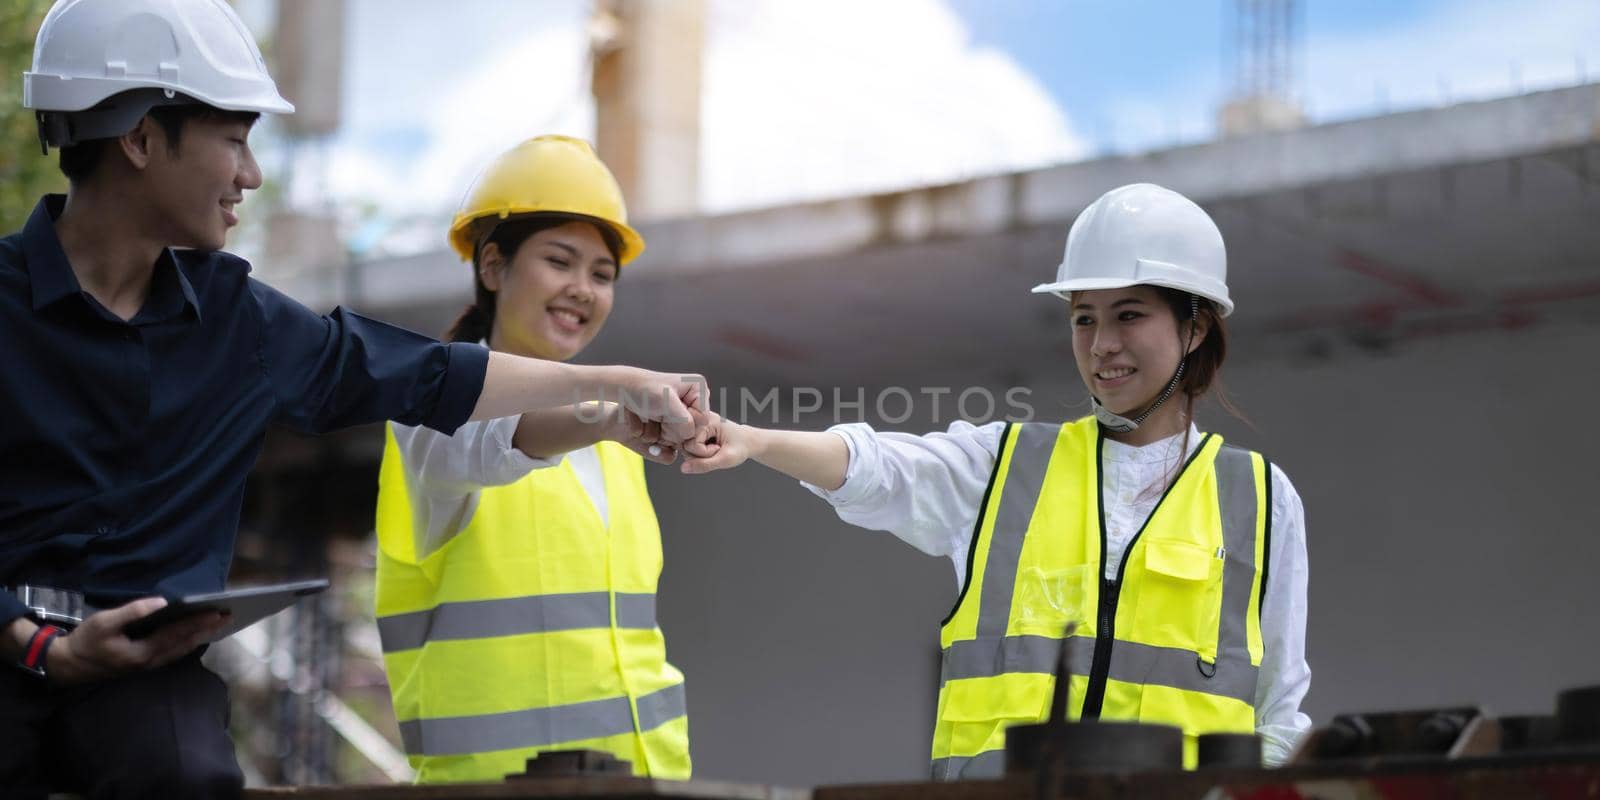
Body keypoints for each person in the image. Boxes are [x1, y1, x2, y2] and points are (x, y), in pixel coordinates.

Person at [0, 2, 704, 797]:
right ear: (138, 138)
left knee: (186, 773)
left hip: (147, 693)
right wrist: (35, 645)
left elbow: (430, 376)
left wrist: (616, 386)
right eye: (234, 140)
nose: (251, 175)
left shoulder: (242, 324)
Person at [680, 184, 1311, 777]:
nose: (1101, 345)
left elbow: (1278, 711)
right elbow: (882, 469)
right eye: (1084, 318)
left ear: (1195, 327)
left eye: (1128, 315)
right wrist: (753, 440)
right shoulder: (1005, 465)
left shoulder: (1260, 499)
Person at [373, 135, 691, 783]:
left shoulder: (613, 447)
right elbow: (499, 435)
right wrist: (614, 401)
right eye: (560, 261)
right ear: (493, 266)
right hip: (490, 789)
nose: (583, 289)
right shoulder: (427, 414)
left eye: (602, 275)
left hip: (645, 782)